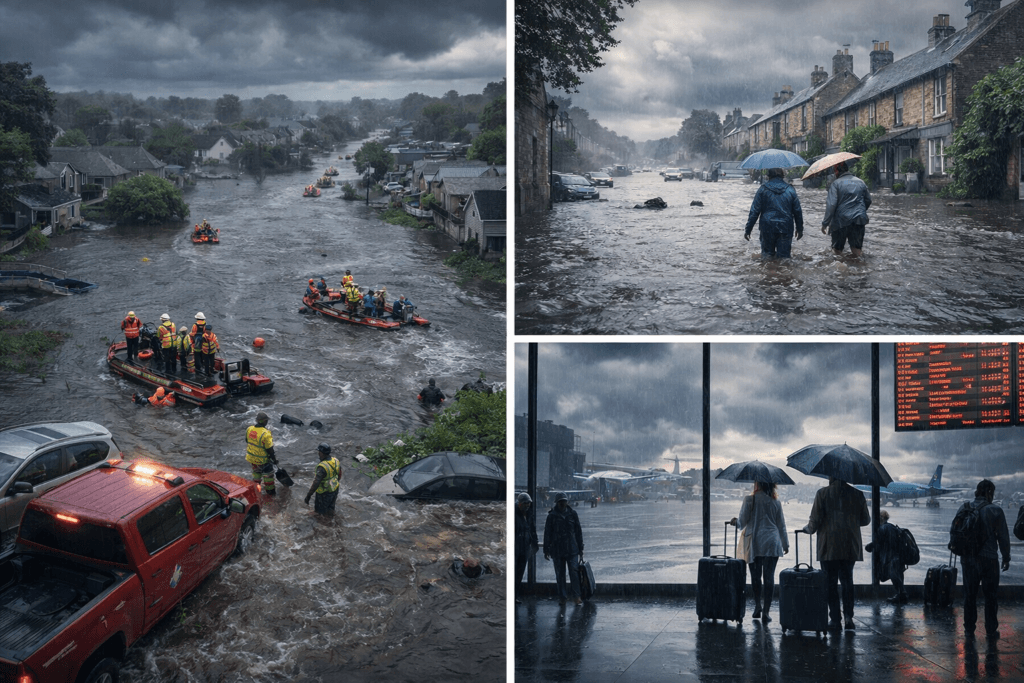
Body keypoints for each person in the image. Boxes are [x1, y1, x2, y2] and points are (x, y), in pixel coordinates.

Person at [802, 477, 870, 630]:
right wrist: (849, 520)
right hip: (849, 544)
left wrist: (808, 529)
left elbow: (815, 521)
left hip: (829, 545)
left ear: (831, 476)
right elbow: (866, 520)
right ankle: (848, 617)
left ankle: (834, 619)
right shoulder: (857, 494)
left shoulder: (823, 494)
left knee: (830, 583)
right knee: (847, 581)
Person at [729, 481, 789, 622]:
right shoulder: (776, 502)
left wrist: (735, 522)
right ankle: (766, 613)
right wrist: (785, 544)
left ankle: (757, 607)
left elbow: (742, 522)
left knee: (755, 577)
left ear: (757, 484)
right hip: (772, 542)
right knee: (769, 578)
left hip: (755, 542)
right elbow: (781, 525)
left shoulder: (750, 500)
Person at [958, 479, 1011, 639]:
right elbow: (1003, 537)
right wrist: (1006, 557)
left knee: (970, 595)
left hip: (968, 559)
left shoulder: (964, 508)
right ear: (989, 493)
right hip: (989, 559)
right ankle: (990, 629)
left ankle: (968, 628)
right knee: (990, 596)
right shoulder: (996, 511)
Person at [743, 167, 804, 259]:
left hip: (767, 227)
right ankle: (784, 273)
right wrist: (799, 229)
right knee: (784, 259)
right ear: (783, 175)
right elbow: (797, 212)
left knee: (767, 257)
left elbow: (754, 211)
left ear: (768, 176)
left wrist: (748, 229)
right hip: (785, 227)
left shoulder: (762, 189)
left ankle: (768, 272)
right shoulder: (791, 190)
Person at [821, 160, 872, 257]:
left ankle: (840, 270)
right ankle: (860, 269)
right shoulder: (861, 182)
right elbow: (868, 200)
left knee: (837, 251)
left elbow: (831, 205)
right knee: (857, 250)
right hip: (859, 220)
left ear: (837, 171)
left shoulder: (836, 184)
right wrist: (860, 211)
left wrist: (825, 224)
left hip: (841, 221)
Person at [544, 492, 585, 605]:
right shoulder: (551, 516)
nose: (562, 503)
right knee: (560, 575)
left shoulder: (573, 514)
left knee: (574, 574)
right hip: (557, 551)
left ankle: (576, 596)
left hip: (572, 549)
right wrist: (546, 549)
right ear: (557, 503)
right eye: (560, 502)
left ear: (567, 502)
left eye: (564, 501)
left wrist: (581, 548)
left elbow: (578, 532)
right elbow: (547, 533)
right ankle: (562, 597)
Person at [865, 510, 909, 604]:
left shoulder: (883, 528)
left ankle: (902, 595)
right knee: (898, 576)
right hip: (898, 556)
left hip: (891, 557)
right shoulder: (892, 527)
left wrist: (868, 547)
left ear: (880, 518)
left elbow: (878, 543)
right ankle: (901, 594)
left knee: (894, 576)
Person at [304, 443, 341, 516]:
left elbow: (316, 482)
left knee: (319, 513)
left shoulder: (322, 467)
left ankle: (323, 525)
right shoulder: (335, 460)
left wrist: (308, 496)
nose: (318, 453)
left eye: (319, 452)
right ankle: (331, 522)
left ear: (322, 453)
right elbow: (339, 474)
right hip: (335, 489)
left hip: (324, 493)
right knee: (330, 509)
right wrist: (334, 483)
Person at [515, 492, 539, 603]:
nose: (527, 506)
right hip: (517, 547)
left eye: (528, 504)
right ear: (519, 504)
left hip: (524, 547)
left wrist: (535, 542)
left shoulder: (528, 514)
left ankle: (515, 594)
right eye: (525, 503)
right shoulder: (514, 515)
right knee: (515, 572)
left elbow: (532, 529)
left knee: (520, 572)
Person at [245, 411, 277, 495]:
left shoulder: (249, 429)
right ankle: (270, 494)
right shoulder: (266, 433)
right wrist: (274, 459)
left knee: (256, 475)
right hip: (263, 460)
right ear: (264, 421)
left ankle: (256, 492)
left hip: (252, 459)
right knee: (268, 477)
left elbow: (247, 440)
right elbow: (270, 449)